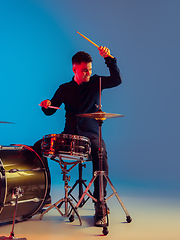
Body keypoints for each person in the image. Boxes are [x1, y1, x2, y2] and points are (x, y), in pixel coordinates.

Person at [38, 46, 121, 227]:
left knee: (100, 151)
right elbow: (50, 110)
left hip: (91, 134)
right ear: (74, 69)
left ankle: (100, 204)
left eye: (90, 69)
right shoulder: (64, 88)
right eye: (84, 70)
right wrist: (47, 105)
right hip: (69, 135)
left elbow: (117, 80)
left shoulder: (96, 82)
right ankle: (43, 196)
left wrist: (109, 58)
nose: (88, 73)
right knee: (38, 148)